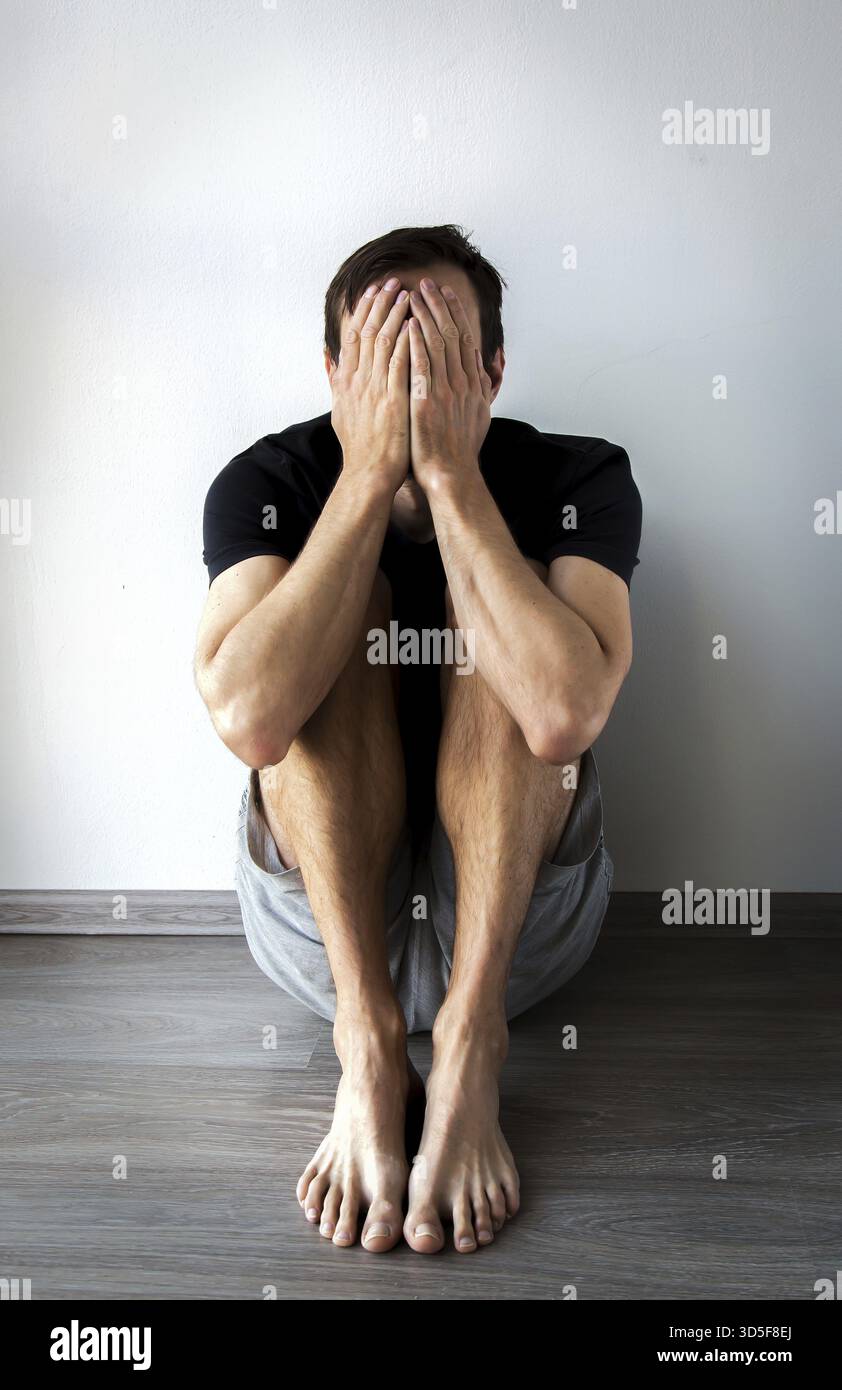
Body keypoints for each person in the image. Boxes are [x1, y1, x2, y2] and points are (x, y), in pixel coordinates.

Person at [195, 225, 642, 1256]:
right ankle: (368, 1052)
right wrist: (363, 483)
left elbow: (565, 714)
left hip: (517, 938)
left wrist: (450, 483)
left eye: (434, 353)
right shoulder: (266, 479)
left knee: (506, 642)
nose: (408, 380)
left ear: (490, 369)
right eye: (382, 357)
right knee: (330, 634)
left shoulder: (580, 474)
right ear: (334, 374)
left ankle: (471, 1050)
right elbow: (250, 718)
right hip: (322, 944)